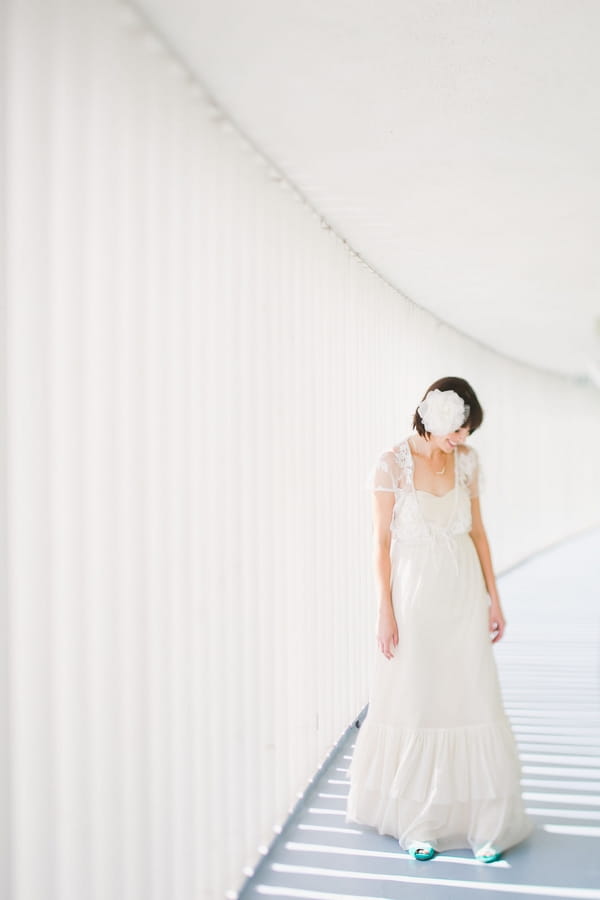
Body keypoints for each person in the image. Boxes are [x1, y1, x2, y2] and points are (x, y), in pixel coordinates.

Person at [346, 376, 534, 862]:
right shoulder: (390, 465)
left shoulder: (467, 463)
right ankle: (418, 823)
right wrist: (384, 611)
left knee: (470, 698)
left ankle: (484, 824)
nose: (462, 440)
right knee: (419, 701)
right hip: (414, 600)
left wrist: (495, 598)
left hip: (462, 596)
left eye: (466, 432)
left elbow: (480, 535)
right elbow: (381, 547)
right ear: (436, 419)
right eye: (458, 430)